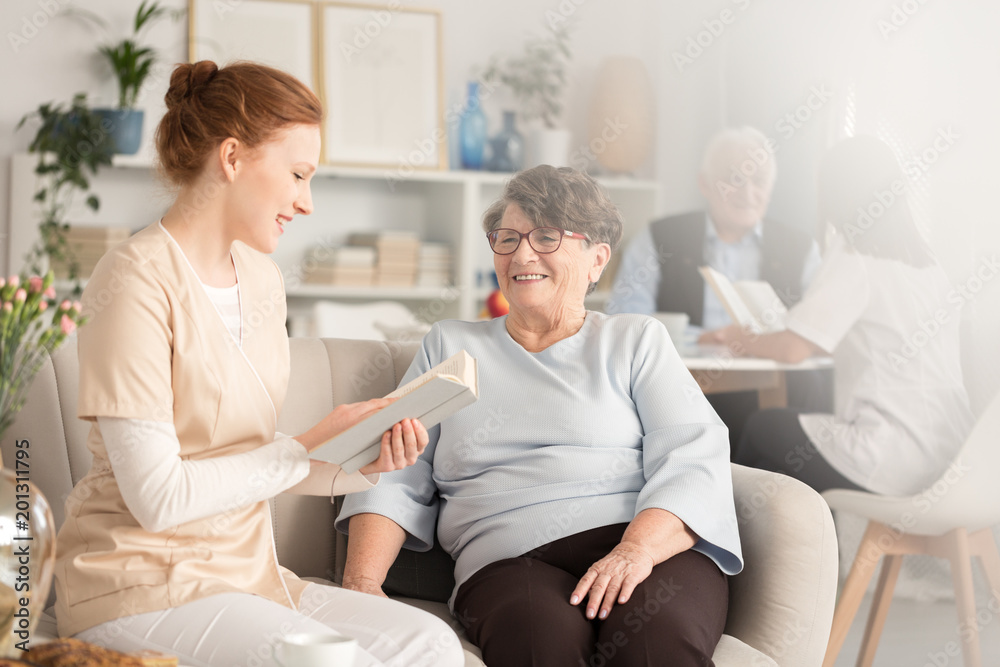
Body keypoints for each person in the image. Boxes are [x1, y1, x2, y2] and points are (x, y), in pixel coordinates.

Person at [54, 60, 464, 667]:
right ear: (232, 158)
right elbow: (158, 497)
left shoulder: (265, 281)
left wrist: (361, 461)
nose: (306, 202)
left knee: (429, 643)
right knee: (330, 661)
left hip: (248, 575)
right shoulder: (135, 279)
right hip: (139, 585)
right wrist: (302, 447)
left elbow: (256, 457)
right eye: (298, 175)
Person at [337, 166, 743, 667]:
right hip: (508, 559)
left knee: (655, 643)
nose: (522, 254)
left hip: (638, 542)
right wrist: (361, 585)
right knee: (537, 643)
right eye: (507, 238)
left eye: (547, 236)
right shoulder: (451, 345)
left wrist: (635, 550)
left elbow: (694, 454)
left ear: (597, 260)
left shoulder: (635, 340)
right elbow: (396, 469)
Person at [710, 135, 974, 495]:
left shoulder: (855, 253)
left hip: (890, 454)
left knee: (761, 428)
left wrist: (742, 338)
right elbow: (861, 341)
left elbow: (793, 350)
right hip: (951, 458)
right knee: (793, 449)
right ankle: (806, 544)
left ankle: (730, 543)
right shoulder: (928, 264)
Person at [606, 126, 825, 450]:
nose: (747, 192)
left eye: (758, 180)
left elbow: (821, 330)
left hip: (774, 395)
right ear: (705, 184)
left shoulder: (802, 248)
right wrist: (703, 338)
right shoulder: (660, 237)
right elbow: (624, 321)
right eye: (734, 178)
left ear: (771, 188)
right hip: (677, 388)